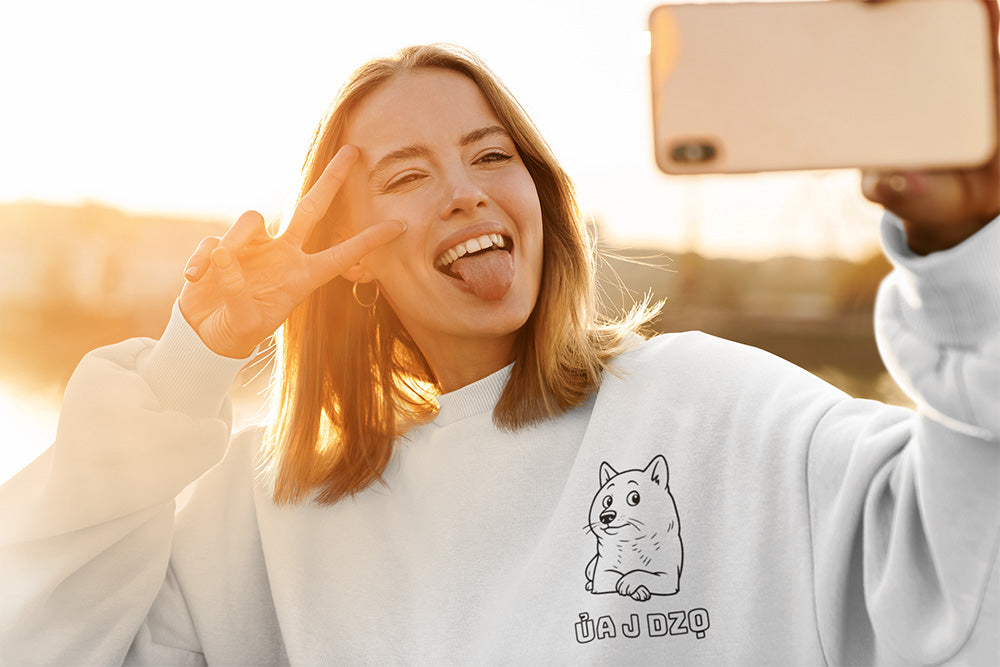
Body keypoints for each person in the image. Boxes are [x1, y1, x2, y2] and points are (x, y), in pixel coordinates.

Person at [1, 8, 998, 664]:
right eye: (407, 175)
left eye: (490, 154)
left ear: (539, 193)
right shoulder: (264, 505)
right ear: (349, 252)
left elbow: (957, 568)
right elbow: (43, 637)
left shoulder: (706, 406)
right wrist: (187, 368)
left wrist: (961, 249)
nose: (467, 189)